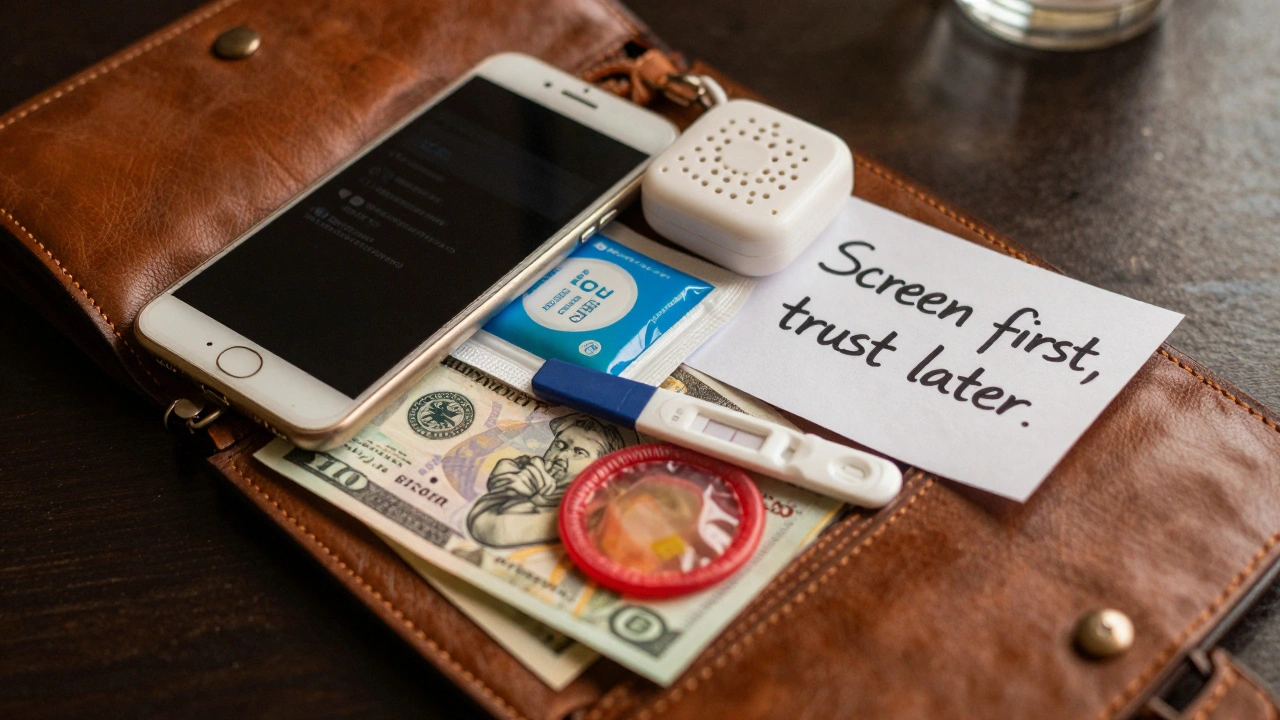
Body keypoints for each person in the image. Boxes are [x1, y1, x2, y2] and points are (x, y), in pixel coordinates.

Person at [467, 413, 629, 547]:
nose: (562, 456)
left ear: (600, 467)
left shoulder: (586, 513)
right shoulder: (524, 471)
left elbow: (494, 531)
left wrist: (504, 493)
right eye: (560, 445)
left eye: (579, 453)